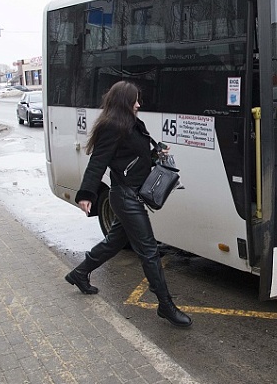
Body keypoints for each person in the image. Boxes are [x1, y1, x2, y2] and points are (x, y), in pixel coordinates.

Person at [65, 80, 192, 328]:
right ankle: (166, 305)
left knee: (114, 242)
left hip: (132, 194)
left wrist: (156, 154)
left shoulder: (131, 123)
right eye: (134, 100)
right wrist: (86, 194)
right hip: (125, 197)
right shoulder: (112, 127)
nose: (138, 104)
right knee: (150, 251)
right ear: (124, 101)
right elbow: (97, 162)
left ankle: (79, 273)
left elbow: (134, 157)